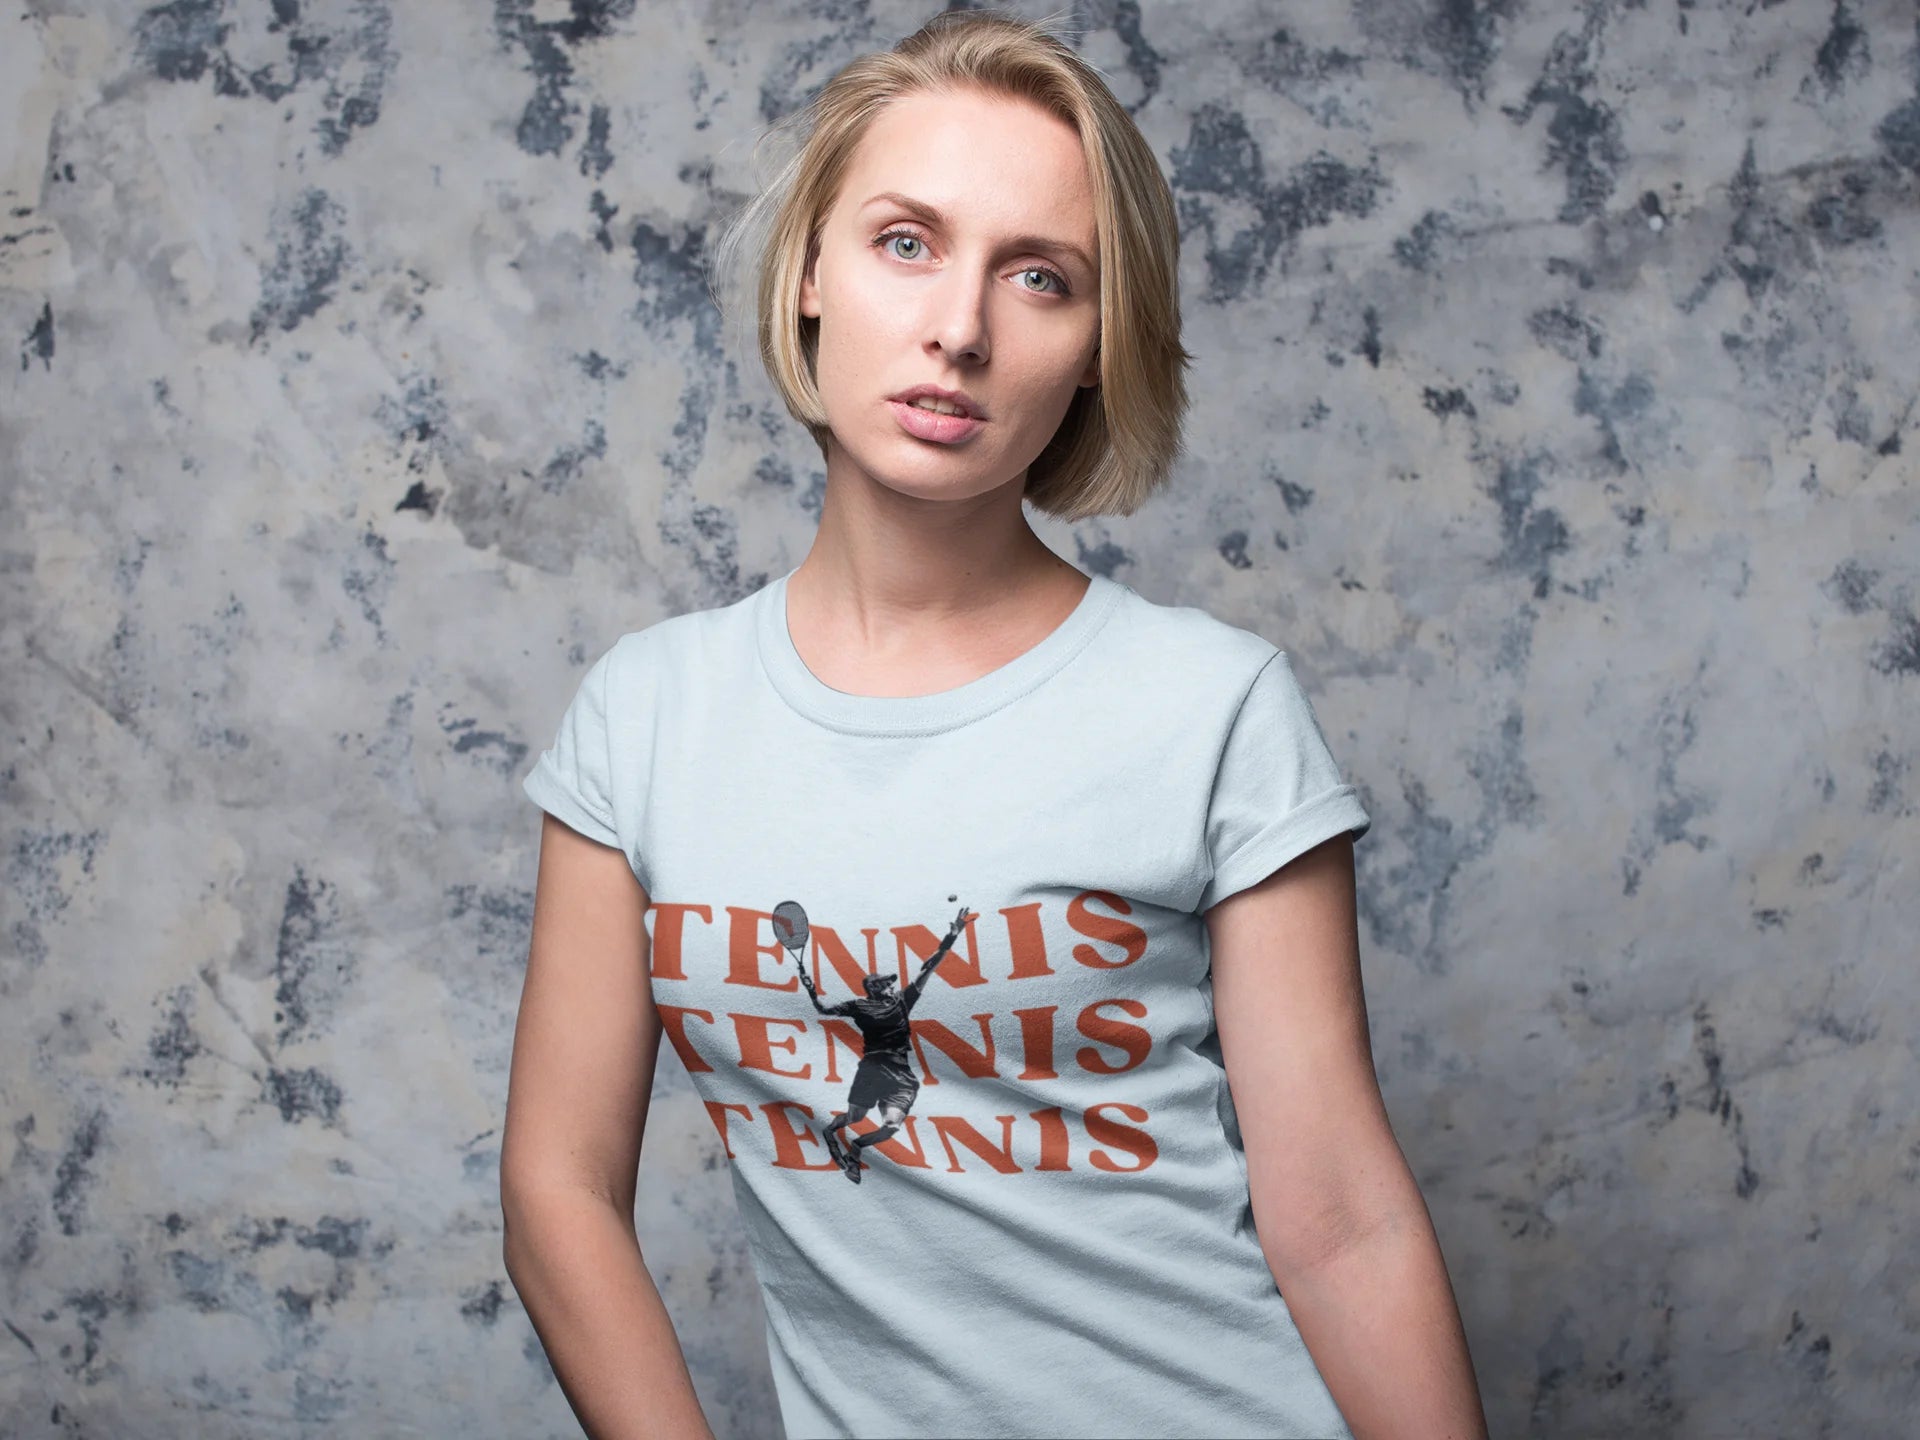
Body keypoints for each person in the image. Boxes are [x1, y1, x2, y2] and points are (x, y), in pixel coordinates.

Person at [503, 9, 1488, 1440]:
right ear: (811, 277)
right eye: (906, 242)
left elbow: (1340, 1222)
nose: (959, 330)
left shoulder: (1209, 709)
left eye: (1041, 278)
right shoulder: (645, 721)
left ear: (1097, 348)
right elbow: (558, 1195)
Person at [797, 904, 974, 1183]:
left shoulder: (903, 1000)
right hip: (872, 1069)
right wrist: (811, 990)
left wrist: (951, 936)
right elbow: (823, 1010)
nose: (893, 986)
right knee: (854, 1118)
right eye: (887, 984)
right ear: (875, 988)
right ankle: (831, 1130)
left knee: (891, 1127)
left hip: (901, 1074)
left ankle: (856, 1147)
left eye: (892, 983)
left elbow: (929, 967)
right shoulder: (858, 1006)